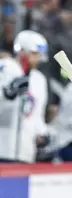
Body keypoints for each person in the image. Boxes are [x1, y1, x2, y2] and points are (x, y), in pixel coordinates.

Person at [0, 30, 48, 163]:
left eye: (39, 55)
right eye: (34, 53)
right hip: (3, 147)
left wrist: (42, 134)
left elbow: (37, 114)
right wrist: (6, 94)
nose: (37, 58)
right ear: (21, 50)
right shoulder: (5, 68)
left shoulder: (39, 79)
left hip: (26, 152)